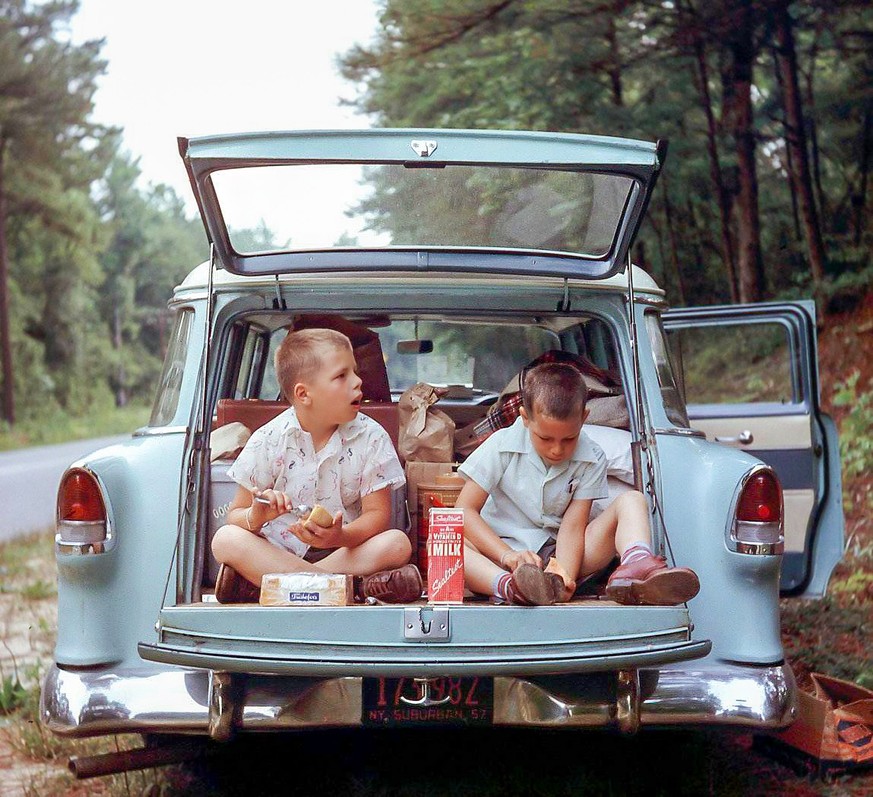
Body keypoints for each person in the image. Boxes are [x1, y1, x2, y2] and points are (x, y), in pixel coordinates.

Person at [457, 361, 700, 606]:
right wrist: (506, 556)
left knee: (632, 499)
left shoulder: (592, 457)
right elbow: (464, 510)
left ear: (584, 418)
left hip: (559, 553)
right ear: (525, 418)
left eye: (568, 439)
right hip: (501, 554)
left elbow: (573, 526)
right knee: (450, 543)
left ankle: (635, 566)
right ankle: (511, 588)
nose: (556, 449)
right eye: (545, 438)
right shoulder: (501, 445)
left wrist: (563, 576)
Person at [211, 328, 422, 604]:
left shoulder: (372, 437)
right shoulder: (268, 439)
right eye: (341, 376)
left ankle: (271, 586)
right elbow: (236, 515)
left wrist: (340, 536)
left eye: (355, 372)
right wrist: (258, 515)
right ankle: (352, 589)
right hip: (278, 552)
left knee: (396, 543)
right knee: (225, 539)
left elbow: (377, 515)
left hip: (344, 550)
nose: (358, 382)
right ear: (304, 394)